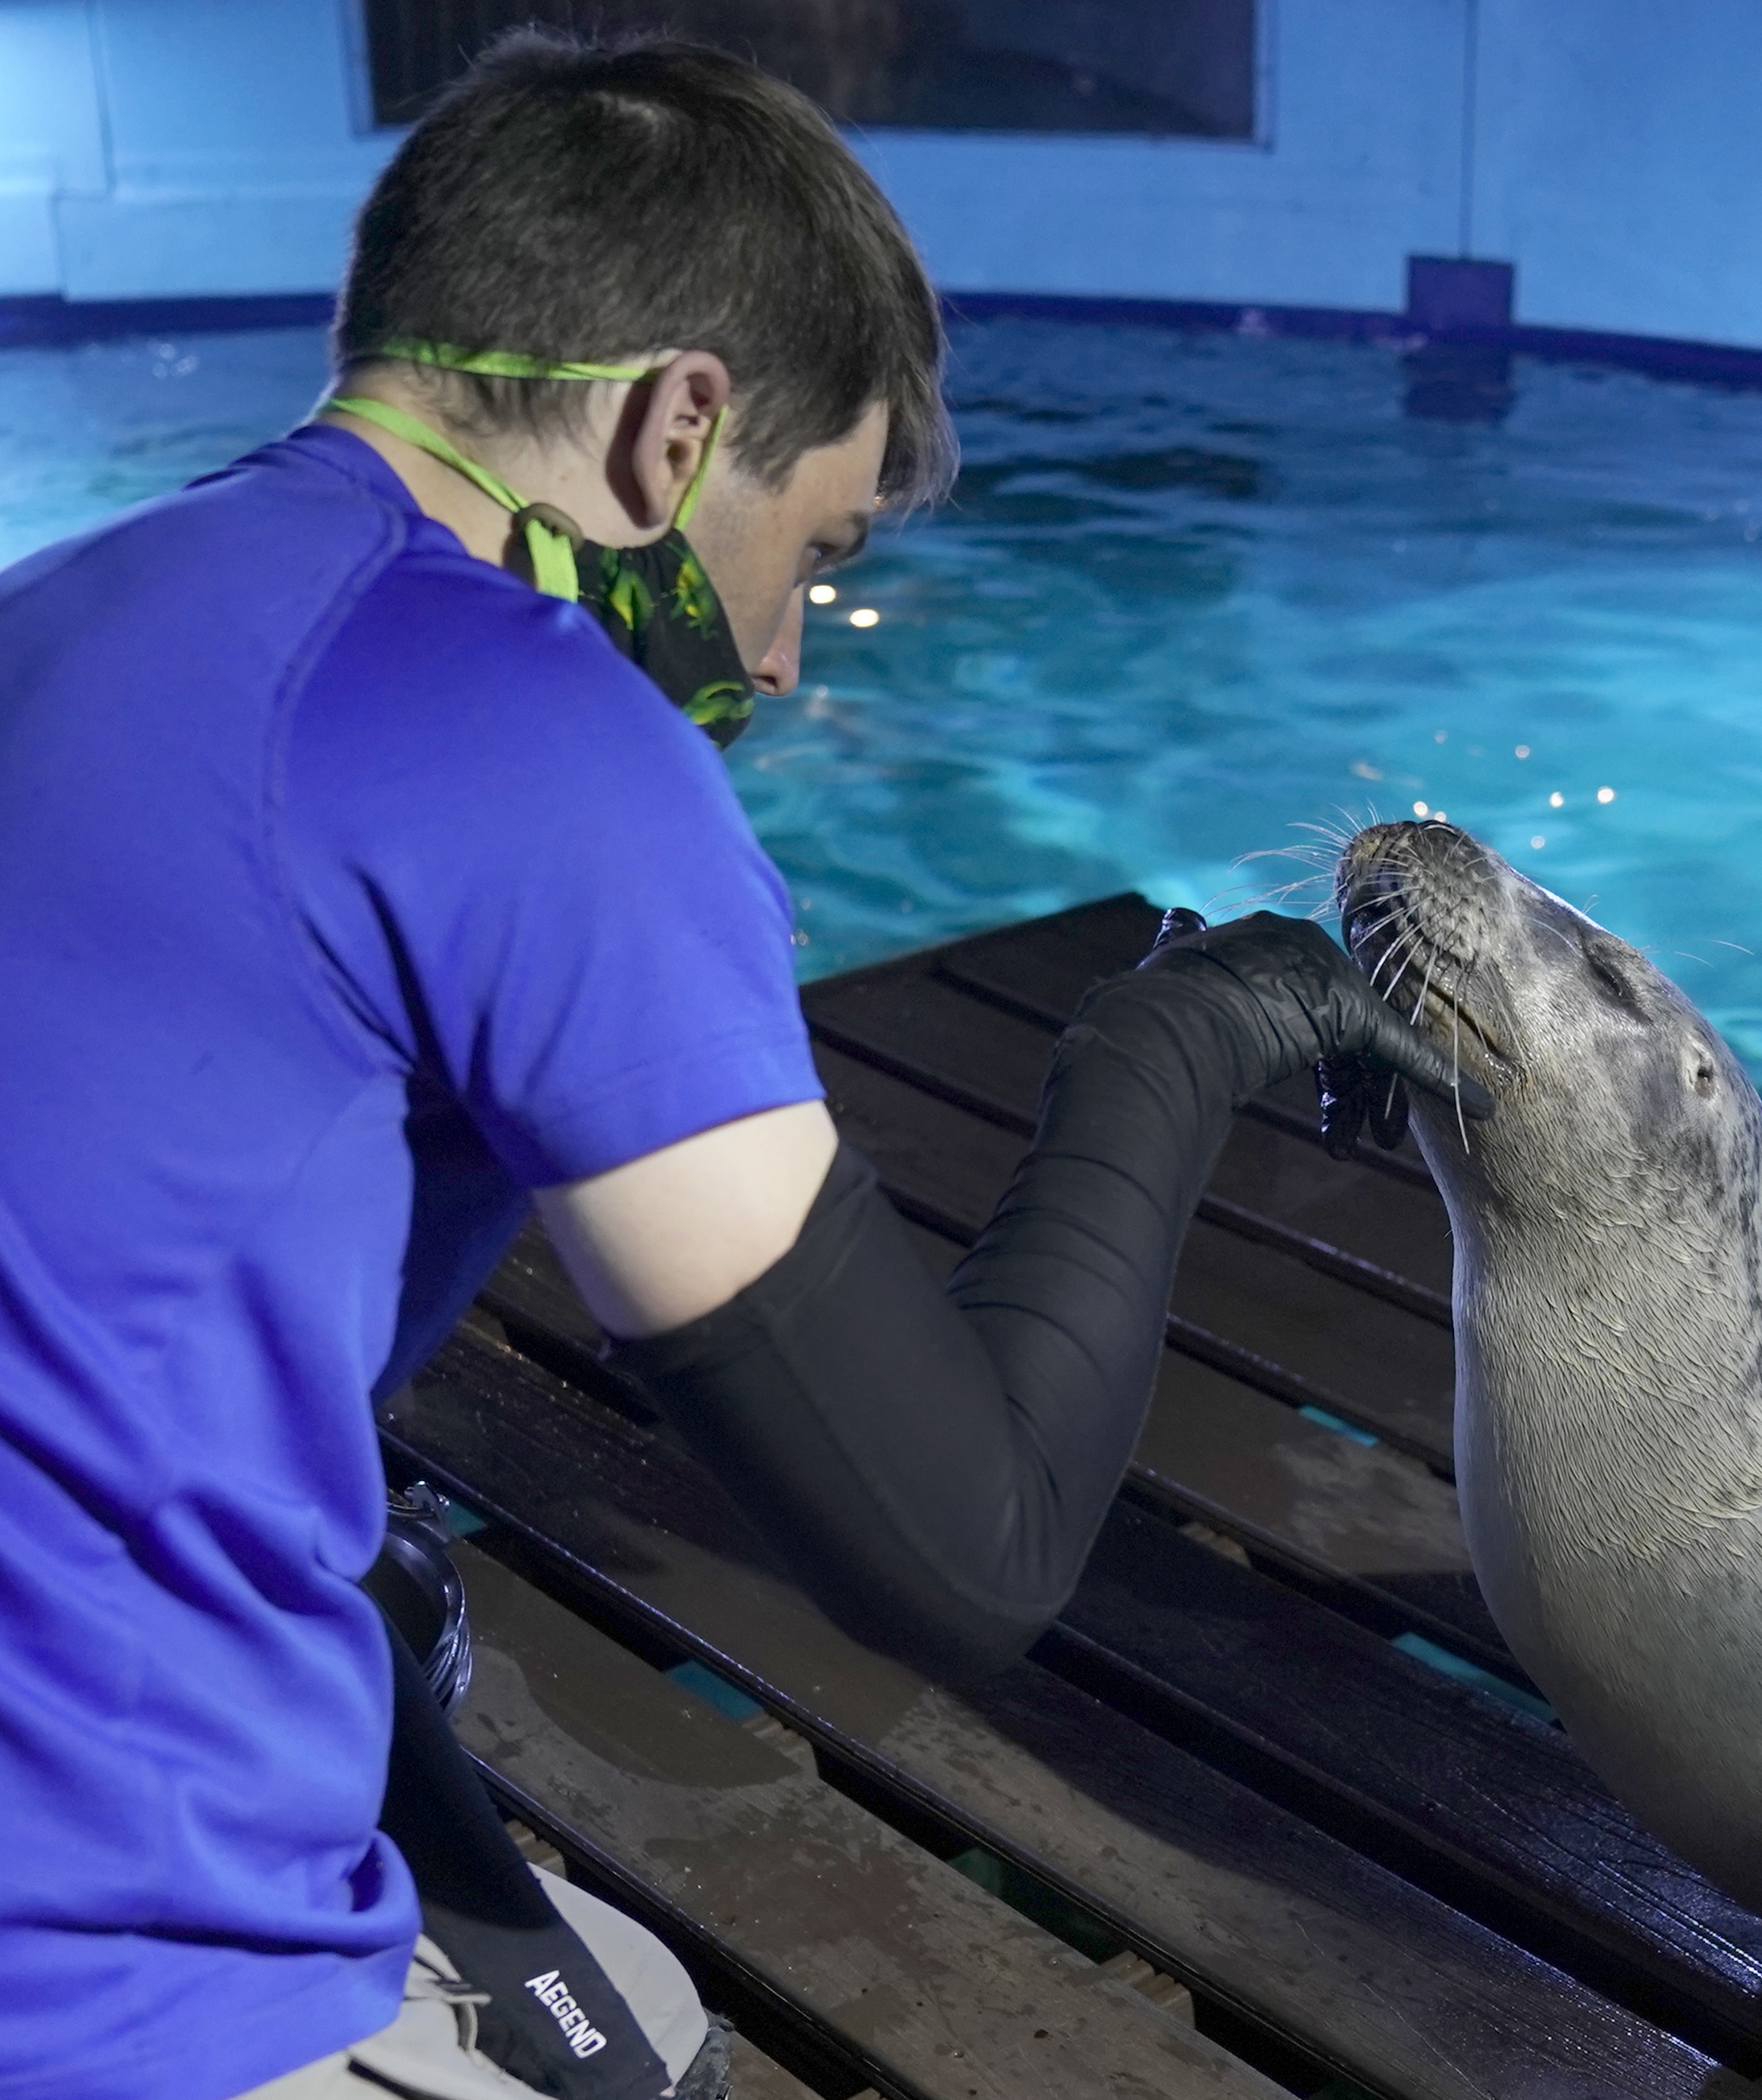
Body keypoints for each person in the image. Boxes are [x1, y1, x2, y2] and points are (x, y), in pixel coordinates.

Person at [0, 33, 1458, 2100]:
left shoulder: (62, 601)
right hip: (96, 1963)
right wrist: (1182, 1028)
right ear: (678, 430)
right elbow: (964, 1549)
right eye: (819, 548)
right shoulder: (525, 720)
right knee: (668, 2051)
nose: (775, 655)